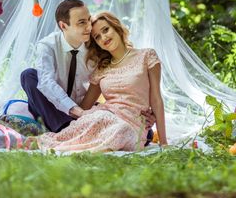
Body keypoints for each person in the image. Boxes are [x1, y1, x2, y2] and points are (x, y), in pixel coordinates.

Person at [30, 11, 167, 152]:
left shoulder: (146, 56)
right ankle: (63, 145)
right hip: (104, 117)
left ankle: (83, 149)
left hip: (134, 125)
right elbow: (84, 107)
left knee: (122, 128)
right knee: (101, 118)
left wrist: (164, 142)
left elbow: (156, 99)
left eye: (106, 30)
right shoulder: (101, 68)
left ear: (116, 27)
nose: (104, 37)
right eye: (97, 37)